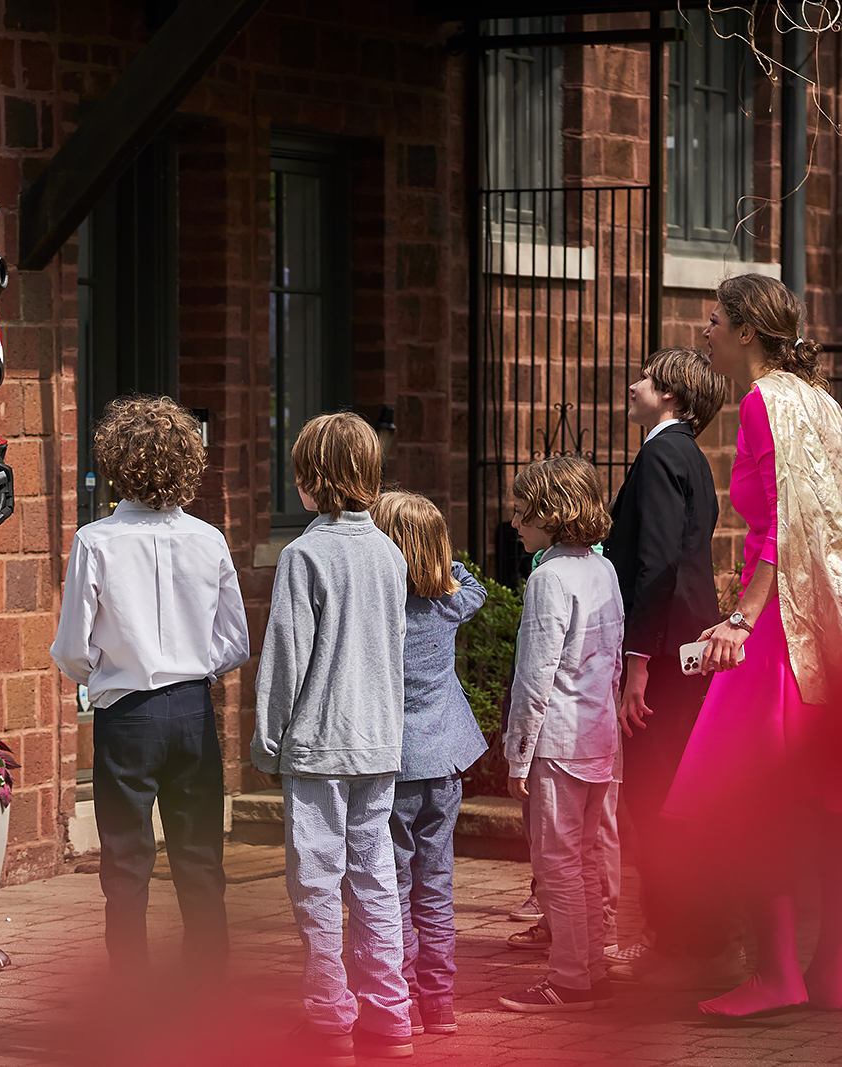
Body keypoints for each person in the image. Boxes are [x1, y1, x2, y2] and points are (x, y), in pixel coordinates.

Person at [662, 273, 842, 1016]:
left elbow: (780, 519)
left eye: (713, 320)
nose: (704, 331)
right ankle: (831, 972)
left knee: (747, 800)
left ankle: (777, 975)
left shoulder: (761, 401)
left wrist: (743, 615)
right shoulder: (821, 402)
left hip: (784, 629)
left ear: (747, 331)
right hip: (840, 622)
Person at [49, 395, 250, 980]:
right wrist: (192, 667)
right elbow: (235, 640)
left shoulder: (96, 541)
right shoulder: (209, 540)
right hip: (192, 712)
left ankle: (130, 992)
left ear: (116, 461)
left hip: (127, 716)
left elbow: (70, 646)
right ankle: (208, 987)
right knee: (200, 858)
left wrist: (98, 678)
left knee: (126, 864)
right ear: (189, 460)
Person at [253, 412, 414, 1062]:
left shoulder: (304, 554)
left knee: (317, 882)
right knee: (374, 875)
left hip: (319, 744)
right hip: (378, 739)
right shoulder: (388, 551)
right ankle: (391, 1014)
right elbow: (394, 649)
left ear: (312, 479)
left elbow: (285, 660)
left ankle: (327, 1015)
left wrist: (267, 744)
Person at [600, 347, 738, 989]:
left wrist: (636, 665)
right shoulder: (690, 456)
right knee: (681, 795)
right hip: (690, 647)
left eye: (646, 379)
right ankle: (701, 934)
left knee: (653, 797)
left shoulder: (658, 456)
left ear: (673, 397)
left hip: (663, 653)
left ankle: (676, 938)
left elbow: (653, 566)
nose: (634, 384)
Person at [498, 456, 624, 1013]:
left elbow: (535, 674)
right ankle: (591, 967)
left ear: (551, 514)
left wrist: (517, 753)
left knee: (557, 864)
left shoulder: (547, 578)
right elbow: (612, 661)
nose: (514, 522)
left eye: (522, 512)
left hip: (558, 741)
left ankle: (571, 977)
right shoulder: (604, 569)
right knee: (588, 858)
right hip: (599, 735)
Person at [369, 490, 489, 1037]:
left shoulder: (378, 614)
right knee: (434, 885)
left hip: (393, 766)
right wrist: (444, 563)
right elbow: (476, 587)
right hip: (445, 763)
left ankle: (400, 992)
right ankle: (439, 1005)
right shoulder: (448, 602)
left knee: (390, 887)